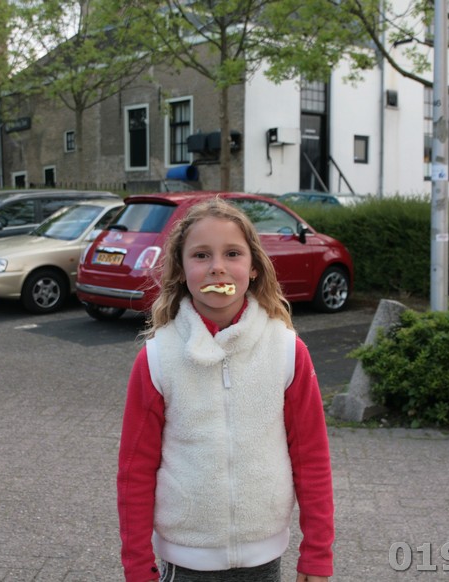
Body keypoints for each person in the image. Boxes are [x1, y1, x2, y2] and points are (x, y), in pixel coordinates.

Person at [117, 196, 334, 581]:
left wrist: (317, 555)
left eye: (232, 253)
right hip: (186, 561)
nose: (217, 267)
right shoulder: (157, 358)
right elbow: (135, 472)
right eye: (201, 255)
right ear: (180, 270)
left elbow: (312, 458)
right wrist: (137, 567)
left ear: (253, 267)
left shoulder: (287, 351)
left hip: (264, 558)